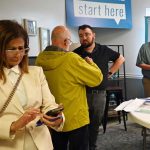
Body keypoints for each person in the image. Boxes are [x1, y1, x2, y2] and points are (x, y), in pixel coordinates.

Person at [35, 25, 103, 150]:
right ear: (66, 42)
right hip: (75, 118)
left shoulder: (40, 59)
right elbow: (97, 78)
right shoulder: (71, 59)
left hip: (53, 117)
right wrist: (91, 64)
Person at [0, 20, 64, 150]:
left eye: (22, 48)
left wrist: (57, 117)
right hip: (9, 145)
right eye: (12, 49)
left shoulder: (36, 72)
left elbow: (49, 103)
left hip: (41, 143)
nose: (18, 54)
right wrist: (13, 126)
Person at [74, 24, 125, 150]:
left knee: (95, 125)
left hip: (99, 94)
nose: (84, 37)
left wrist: (108, 73)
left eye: (87, 34)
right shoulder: (75, 54)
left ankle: (92, 147)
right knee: (82, 125)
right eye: (81, 35)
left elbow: (120, 59)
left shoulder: (104, 49)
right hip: (81, 94)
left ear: (93, 35)